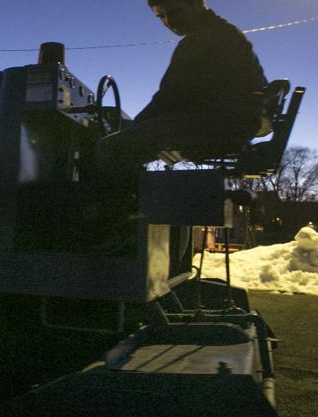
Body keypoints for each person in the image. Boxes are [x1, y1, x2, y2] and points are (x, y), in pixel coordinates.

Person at [84, 0, 269, 245]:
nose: (169, 21)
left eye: (174, 12)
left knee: (110, 148)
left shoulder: (204, 38)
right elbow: (178, 97)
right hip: (227, 121)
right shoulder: (221, 32)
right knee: (130, 143)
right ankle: (130, 223)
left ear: (196, 4)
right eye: (161, 17)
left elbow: (170, 96)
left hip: (217, 122)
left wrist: (131, 128)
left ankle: (111, 237)